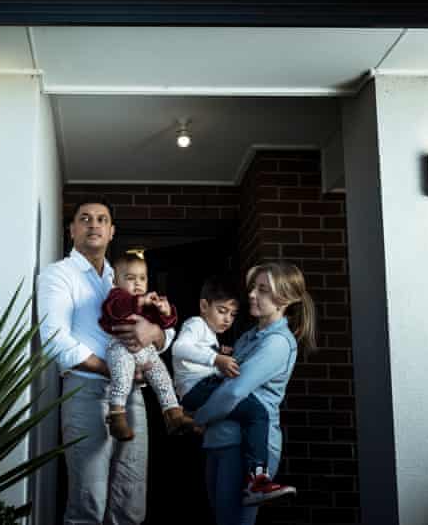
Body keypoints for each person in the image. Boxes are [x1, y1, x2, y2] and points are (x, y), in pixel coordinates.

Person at [37, 198, 175, 525]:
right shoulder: (59, 275)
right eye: (85, 218)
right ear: (72, 230)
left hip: (132, 398)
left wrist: (154, 331)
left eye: (102, 219)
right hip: (86, 392)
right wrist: (110, 368)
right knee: (89, 504)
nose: (94, 224)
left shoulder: (123, 278)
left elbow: (164, 336)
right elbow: (55, 339)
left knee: (130, 504)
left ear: (112, 231)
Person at [192, 262, 316, 523]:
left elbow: (234, 391)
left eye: (263, 290)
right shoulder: (249, 337)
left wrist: (197, 418)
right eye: (253, 288)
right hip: (220, 438)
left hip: (245, 447)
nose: (251, 295)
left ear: (284, 299)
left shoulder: (277, 343)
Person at [173, 276, 297, 506]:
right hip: (200, 393)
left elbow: (232, 386)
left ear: (282, 300)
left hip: (223, 431)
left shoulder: (276, 341)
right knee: (256, 413)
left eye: (232, 314)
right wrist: (217, 358)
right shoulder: (196, 324)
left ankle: (257, 478)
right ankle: (257, 480)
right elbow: (181, 348)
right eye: (222, 311)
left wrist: (220, 354)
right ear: (203, 306)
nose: (227, 319)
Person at [98, 252, 196, 441]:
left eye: (142, 278)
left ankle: (173, 413)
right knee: (122, 377)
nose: (137, 284)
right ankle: (117, 415)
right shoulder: (115, 297)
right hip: (120, 347)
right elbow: (117, 309)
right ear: (116, 281)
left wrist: (165, 312)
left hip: (147, 351)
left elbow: (165, 326)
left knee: (163, 378)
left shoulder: (148, 303)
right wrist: (139, 301)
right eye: (130, 278)